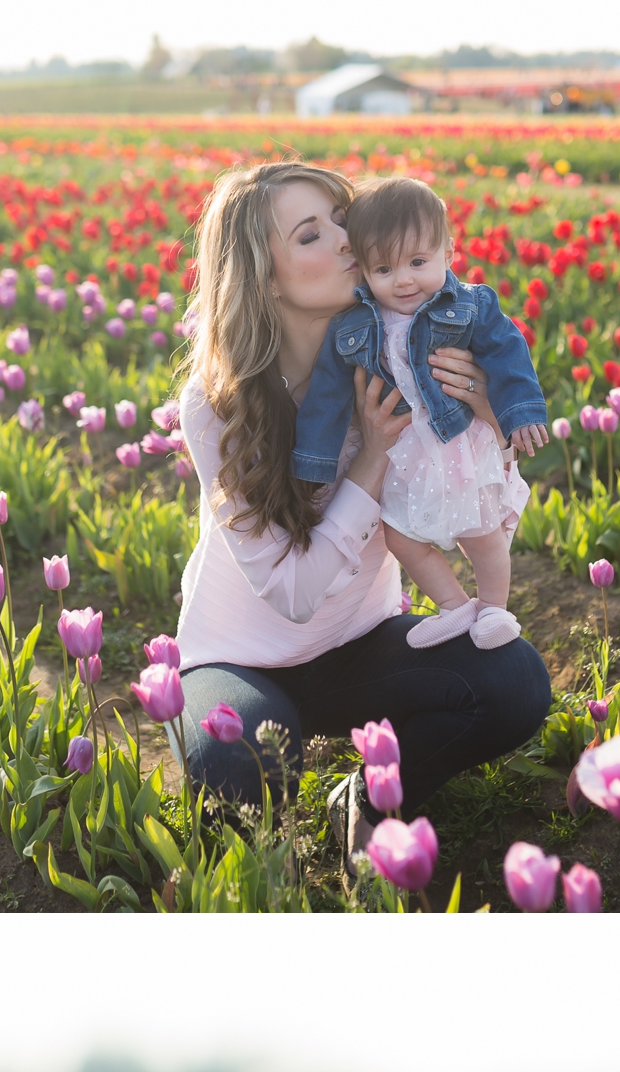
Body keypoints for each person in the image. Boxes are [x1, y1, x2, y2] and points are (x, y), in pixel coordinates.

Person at [172, 161, 549, 809]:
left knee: (514, 682)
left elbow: (476, 499)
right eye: (310, 234)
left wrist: (486, 416)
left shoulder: (399, 356)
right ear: (264, 274)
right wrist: (371, 457)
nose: (347, 241)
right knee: (248, 759)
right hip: (237, 660)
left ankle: (371, 802)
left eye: (342, 221)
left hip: (358, 646)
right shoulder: (219, 403)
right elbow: (293, 592)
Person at [292, 175, 549, 653]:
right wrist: (314, 464)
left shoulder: (469, 306)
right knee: (401, 539)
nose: (404, 279)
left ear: (448, 253)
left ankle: (494, 607)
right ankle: (454, 607)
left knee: (483, 532)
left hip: (456, 445)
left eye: (417, 262)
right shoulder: (351, 327)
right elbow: (326, 399)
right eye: (384, 268)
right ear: (363, 269)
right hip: (405, 455)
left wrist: (519, 412)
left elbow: (507, 353)